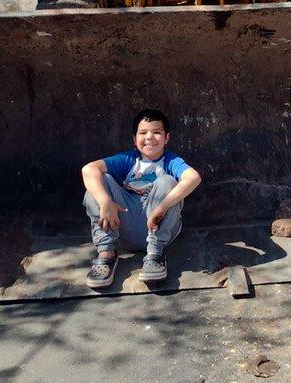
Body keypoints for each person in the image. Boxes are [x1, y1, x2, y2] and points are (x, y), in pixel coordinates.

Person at [81, 108, 201, 288]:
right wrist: (106, 201)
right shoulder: (129, 159)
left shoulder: (170, 161)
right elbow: (88, 169)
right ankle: (106, 254)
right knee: (98, 184)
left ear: (167, 138)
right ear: (134, 139)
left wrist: (161, 208)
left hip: (158, 228)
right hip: (124, 228)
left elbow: (193, 177)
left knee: (168, 181)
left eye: (157, 132)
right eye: (143, 132)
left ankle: (155, 256)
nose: (150, 137)